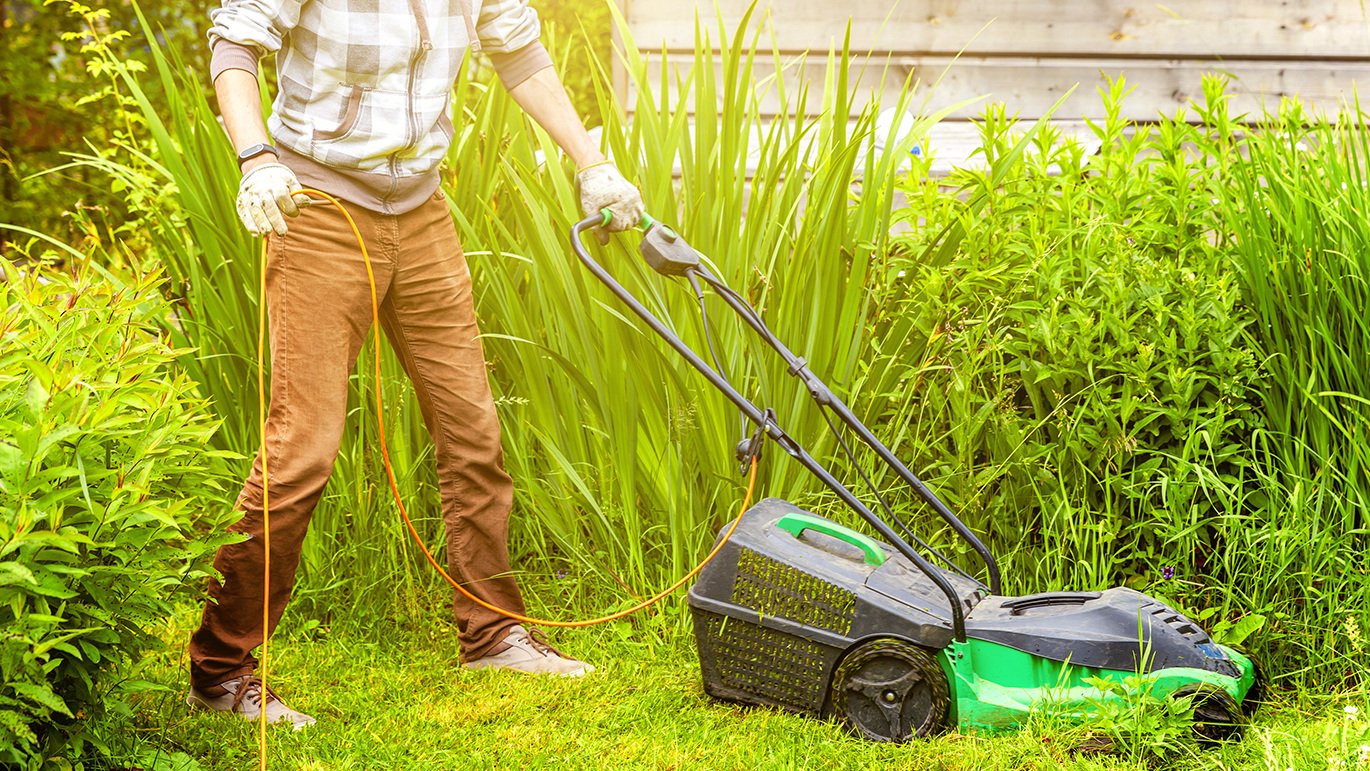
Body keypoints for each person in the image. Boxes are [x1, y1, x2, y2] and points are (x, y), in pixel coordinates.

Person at [186, 0, 645, 730]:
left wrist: (593, 163)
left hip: (421, 210)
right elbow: (234, 45)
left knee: (473, 431)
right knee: (302, 450)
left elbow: (519, 53)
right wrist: (257, 159)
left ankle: (493, 635)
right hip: (316, 208)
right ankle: (220, 669)